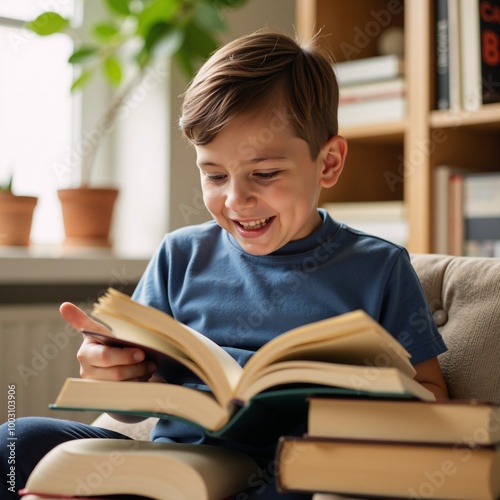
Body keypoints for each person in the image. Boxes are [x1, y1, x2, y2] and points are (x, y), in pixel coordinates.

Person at [0, 29, 448, 499]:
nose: (236, 199)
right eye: (214, 175)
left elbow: (431, 395)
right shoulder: (180, 256)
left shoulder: (379, 267)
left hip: (293, 473)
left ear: (328, 163)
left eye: (265, 173)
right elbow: (136, 408)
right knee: (18, 441)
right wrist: (114, 376)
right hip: (168, 468)